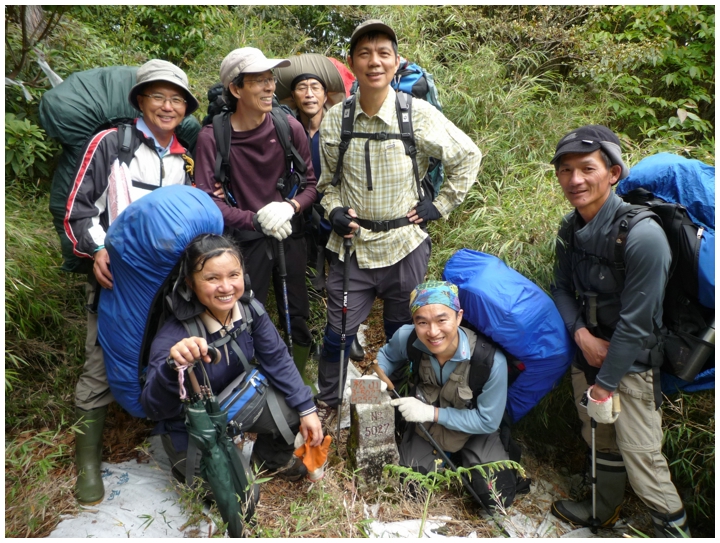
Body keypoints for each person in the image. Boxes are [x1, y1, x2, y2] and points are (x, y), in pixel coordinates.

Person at [314, 20, 482, 424]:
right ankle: (327, 401)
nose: (374, 61)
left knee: (401, 331)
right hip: (352, 248)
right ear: (352, 63)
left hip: (405, 244)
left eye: (383, 53)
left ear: (395, 61)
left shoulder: (416, 114)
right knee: (337, 332)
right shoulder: (337, 119)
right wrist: (334, 211)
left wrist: (440, 205)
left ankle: (399, 401)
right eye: (365, 53)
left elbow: (468, 155)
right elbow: (327, 184)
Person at [64, 59, 202, 505]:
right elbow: (76, 210)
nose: (168, 106)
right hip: (116, 278)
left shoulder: (184, 157)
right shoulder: (111, 144)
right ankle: (87, 463)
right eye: (158, 96)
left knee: (162, 355)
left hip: (169, 282)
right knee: (103, 362)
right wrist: (97, 250)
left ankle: (165, 437)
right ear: (140, 100)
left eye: (177, 99)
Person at [549, 125, 690, 537]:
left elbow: (639, 320)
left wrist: (606, 382)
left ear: (613, 173)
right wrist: (581, 337)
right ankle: (602, 509)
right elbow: (560, 288)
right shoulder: (569, 229)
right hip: (587, 351)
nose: (575, 180)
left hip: (630, 365)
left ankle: (672, 530)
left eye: (587, 169)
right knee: (599, 439)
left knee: (642, 456)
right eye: (566, 170)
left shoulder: (644, 235)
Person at [141, 234, 323, 485]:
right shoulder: (175, 337)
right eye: (212, 278)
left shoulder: (250, 311)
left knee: (297, 406)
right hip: (194, 429)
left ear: (244, 276)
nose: (226, 287)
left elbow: (277, 358)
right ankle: (190, 466)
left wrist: (307, 409)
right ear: (190, 284)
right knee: (239, 496)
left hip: (235, 403)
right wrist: (173, 367)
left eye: (233, 275)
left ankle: (268, 461)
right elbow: (153, 408)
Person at [193, 48, 318, 385]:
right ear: (236, 89)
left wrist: (289, 207)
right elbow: (209, 202)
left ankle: (299, 383)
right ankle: (248, 387)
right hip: (243, 243)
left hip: (288, 234)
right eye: (259, 81)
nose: (270, 88)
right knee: (244, 315)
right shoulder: (212, 138)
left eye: (271, 79)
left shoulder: (286, 125)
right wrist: (254, 220)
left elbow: (310, 184)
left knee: (298, 312)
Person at [375, 280, 516, 511]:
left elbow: (488, 421)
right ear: (414, 322)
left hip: (475, 433)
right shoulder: (407, 339)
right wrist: (369, 385)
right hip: (427, 429)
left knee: (497, 498)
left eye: (442, 320)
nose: (432, 332)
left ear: (459, 317)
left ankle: (469, 459)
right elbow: (387, 358)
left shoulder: (490, 361)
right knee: (411, 489)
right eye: (422, 322)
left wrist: (431, 412)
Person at [288, 70, 366, 361]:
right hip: (300, 215)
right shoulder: (287, 127)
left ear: (325, 95)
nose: (309, 93)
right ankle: (319, 330)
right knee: (310, 276)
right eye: (302, 88)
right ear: (293, 96)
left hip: (336, 212)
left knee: (346, 275)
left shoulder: (339, 126)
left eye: (315, 87)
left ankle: (349, 332)